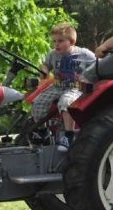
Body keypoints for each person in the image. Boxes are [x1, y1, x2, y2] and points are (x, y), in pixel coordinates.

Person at [31, 23, 96, 152]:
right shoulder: (52, 54)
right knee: (37, 103)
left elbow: (98, 64)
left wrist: (88, 77)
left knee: (66, 102)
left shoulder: (84, 54)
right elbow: (45, 66)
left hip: (75, 87)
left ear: (72, 41)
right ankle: (44, 132)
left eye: (60, 41)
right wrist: (43, 71)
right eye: (54, 41)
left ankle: (68, 135)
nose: (56, 44)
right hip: (57, 87)